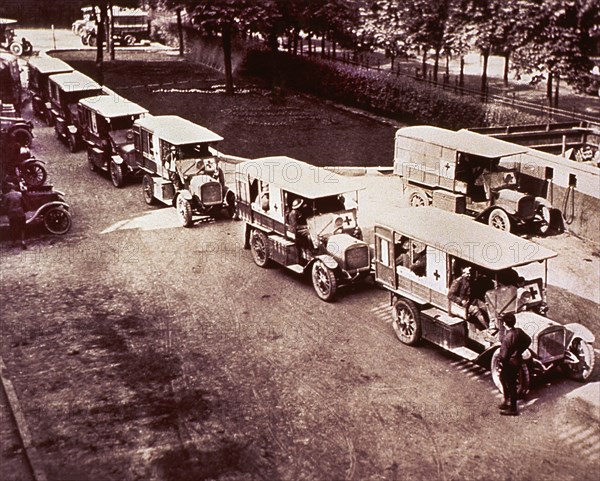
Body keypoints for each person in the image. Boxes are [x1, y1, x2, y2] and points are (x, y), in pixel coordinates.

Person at [498, 313, 531, 416]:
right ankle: (506, 400)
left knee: (511, 384)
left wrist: (501, 361)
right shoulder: (518, 331)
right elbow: (528, 340)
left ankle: (513, 409)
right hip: (517, 360)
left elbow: (503, 356)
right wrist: (519, 351)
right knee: (503, 378)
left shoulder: (507, 338)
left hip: (510, 363)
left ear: (504, 323)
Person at [448, 266, 493, 332]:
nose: (469, 275)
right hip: (464, 305)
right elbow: (450, 295)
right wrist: (460, 301)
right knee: (477, 311)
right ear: (463, 273)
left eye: (470, 273)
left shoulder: (469, 279)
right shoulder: (457, 282)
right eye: (468, 274)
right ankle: (488, 328)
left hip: (472, 300)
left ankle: (492, 325)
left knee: (486, 306)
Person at [2, 182, 27, 249]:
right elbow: (24, 203)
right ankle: (23, 241)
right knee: (22, 228)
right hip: (20, 213)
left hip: (12, 214)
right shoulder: (19, 194)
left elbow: (4, 206)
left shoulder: (6, 196)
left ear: (8, 188)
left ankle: (14, 242)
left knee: (13, 228)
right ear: (14, 187)